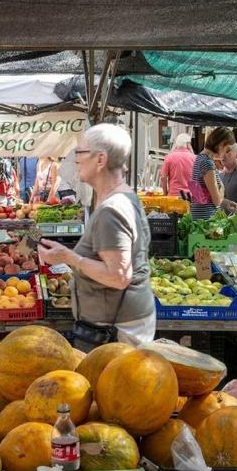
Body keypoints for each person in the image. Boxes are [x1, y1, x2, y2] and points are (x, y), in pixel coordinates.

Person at [37, 124, 154, 349]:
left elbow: (118, 276)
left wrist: (69, 258)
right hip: (117, 325)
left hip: (115, 334)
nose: (76, 159)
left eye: (80, 152)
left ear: (100, 160)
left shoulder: (112, 209)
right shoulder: (121, 198)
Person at [189, 128, 237, 220]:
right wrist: (222, 187)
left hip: (199, 216)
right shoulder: (207, 162)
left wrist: (226, 202)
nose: (225, 154)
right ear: (221, 144)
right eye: (227, 150)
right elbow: (217, 201)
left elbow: (205, 195)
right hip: (206, 219)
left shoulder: (200, 158)